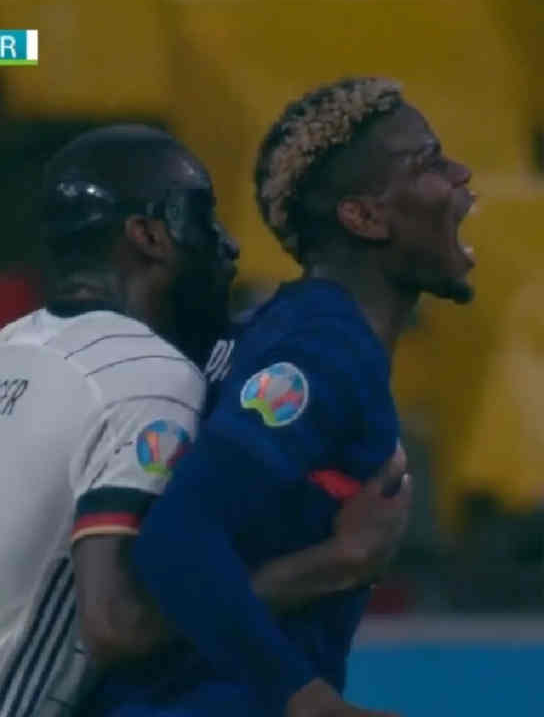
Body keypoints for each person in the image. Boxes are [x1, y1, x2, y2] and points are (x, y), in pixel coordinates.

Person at [0, 125, 411, 717]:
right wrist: (334, 563)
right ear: (148, 236)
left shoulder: (5, 350)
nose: (228, 245)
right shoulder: (148, 375)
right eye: (202, 218)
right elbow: (116, 625)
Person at [123, 77, 474, 717]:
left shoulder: (293, 329)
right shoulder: (322, 350)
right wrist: (307, 697)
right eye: (429, 164)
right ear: (364, 217)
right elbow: (176, 538)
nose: (461, 176)